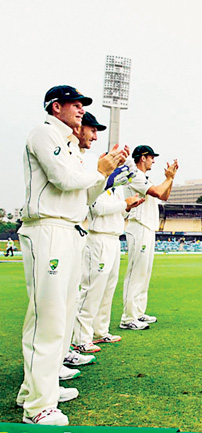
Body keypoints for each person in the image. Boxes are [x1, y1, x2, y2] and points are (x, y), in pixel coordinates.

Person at [17, 86, 128, 426]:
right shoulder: (44, 133)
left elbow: (86, 195)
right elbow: (63, 179)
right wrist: (100, 169)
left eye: (82, 106)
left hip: (69, 229)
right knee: (48, 318)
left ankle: (37, 390)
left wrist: (106, 173)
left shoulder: (69, 145)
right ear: (56, 107)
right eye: (75, 104)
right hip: (47, 228)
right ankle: (38, 407)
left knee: (62, 316)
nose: (81, 110)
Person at [72, 113, 144, 354]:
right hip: (98, 238)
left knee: (107, 288)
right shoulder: (98, 181)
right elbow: (98, 209)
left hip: (114, 238)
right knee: (92, 289)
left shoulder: (116, 187)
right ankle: (81, 337)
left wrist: (128, 206)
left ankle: (100, 331)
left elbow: (117, 211)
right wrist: (124, 204)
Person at [120, 145, 178, 330]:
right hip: (138, 226)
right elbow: (158, 192)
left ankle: (138, 312)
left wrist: (171, 179)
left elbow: (164, 196)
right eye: (152, 157)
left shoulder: (146, 178)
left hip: (148, 226)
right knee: (136, 273)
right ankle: (128, 318)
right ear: (143, 157)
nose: (153, 161)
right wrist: (167, 178)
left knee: (144, 273)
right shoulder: (134, 175)